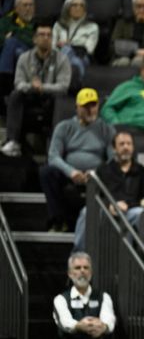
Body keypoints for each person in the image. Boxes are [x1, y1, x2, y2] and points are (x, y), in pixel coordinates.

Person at [40, 88, 115, 232]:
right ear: (77, 107)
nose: (89, 110)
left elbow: (112, 158)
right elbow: (53, 156)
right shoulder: (64, 127)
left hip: (97, 176)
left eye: (93, 105)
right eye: (85, 106)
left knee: (113, 171)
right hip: (70, 174)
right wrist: (71, 172)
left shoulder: (106, 129)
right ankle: (58, 221)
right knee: (46, 172)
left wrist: (95, 173)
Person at [73, 131, 144, 252]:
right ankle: (79, 254)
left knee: (140, 213)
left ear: (133, 147)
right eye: (122, 144)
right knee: (86, 212)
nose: (126, 147)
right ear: (114, 148)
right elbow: (95, 195)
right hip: (107, 210)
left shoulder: (142, 171)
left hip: (130, 211)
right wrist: (109, 205)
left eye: (129, 144)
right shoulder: (103, 169)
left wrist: (128, 205)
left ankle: (129, 255)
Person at [1, 22, 70, 158]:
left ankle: (55, 146)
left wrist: (43, 87)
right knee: (15, 95)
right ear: (34, 39)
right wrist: (32, 87)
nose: (46, 38)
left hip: (51, 98)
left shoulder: (62, 59)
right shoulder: (24, 58)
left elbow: (63, 86)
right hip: (30, 96)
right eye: (42, 35)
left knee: (59, 100)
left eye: (49, 35)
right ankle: (13, 141)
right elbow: (18, 83)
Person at [53, 0, 99, 85]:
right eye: (74, 5)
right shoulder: (58, 25)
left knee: (69, 52)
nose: (78, 8)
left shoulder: (92, 27)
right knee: (67, 54)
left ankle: (59, 78)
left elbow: (89, 49)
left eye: (82, 5)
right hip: (58, 55)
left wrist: (67, 45)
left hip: (81, 56)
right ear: (67, 7)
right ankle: (76, 82)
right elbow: (52, 46)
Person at [0, 0, 34, 77]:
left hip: (32, 53)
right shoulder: (6, 21)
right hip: (14, 52)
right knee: (16, 51)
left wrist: (14, 33)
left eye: (31, 5)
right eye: (25, 5)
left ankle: (3, 79)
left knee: (12, 42)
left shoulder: (38, 23)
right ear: (17, 8)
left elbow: (34, 42)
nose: (28, 8)